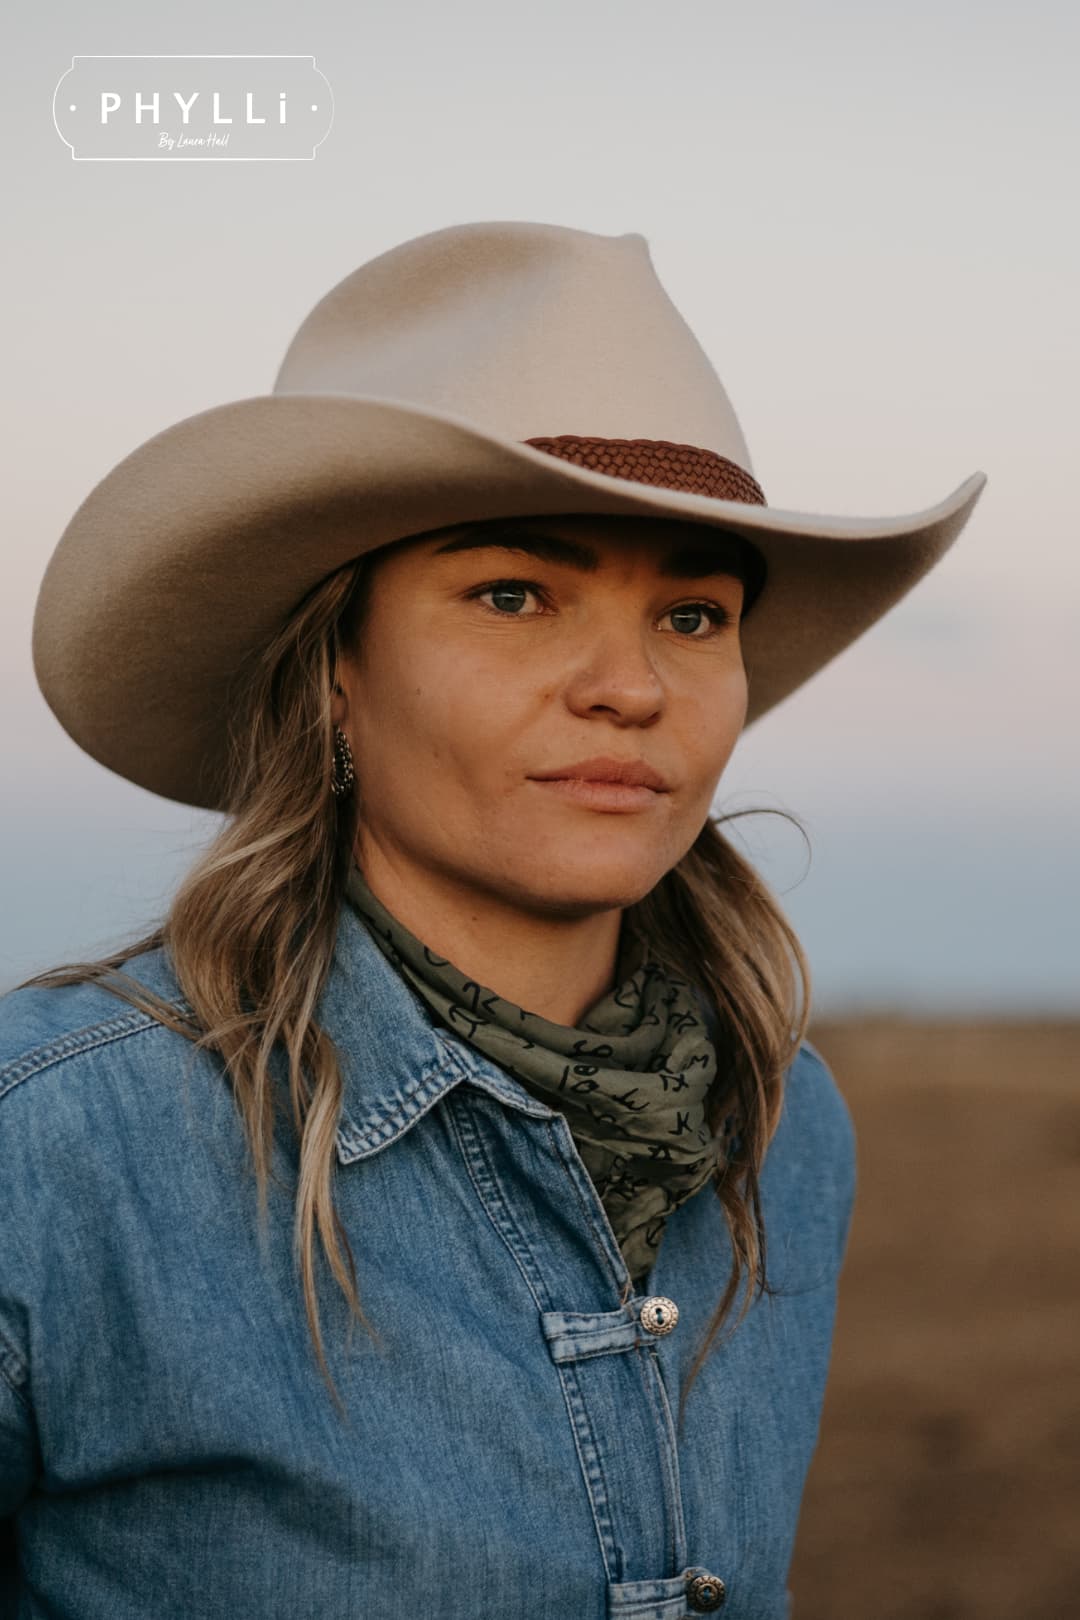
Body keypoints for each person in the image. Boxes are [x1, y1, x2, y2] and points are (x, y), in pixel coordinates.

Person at [0, 220, 986, 1619]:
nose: (630, 687)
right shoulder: (52, 1146)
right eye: (514, 595)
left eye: (694, 616)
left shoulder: (781, 1124)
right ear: (334, 673)